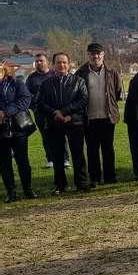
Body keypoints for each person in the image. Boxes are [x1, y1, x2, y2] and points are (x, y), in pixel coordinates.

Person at [38, 53, 90, 195]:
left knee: (78, 154)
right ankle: (60, 185)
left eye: (64, 62)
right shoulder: (46, 84)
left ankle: (82, 183)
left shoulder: (79, 81)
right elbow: (40, 103)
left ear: (69, 64)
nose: (62, 65)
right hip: (54, 123)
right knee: (57, 156)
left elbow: (83, 100)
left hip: (74, 122)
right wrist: (55, 113)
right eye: (59, 62)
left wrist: (67, 113)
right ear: (53, 64)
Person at [75, 42, 123, 185]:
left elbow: (118, 91)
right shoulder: (81, 73)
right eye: (92, 54)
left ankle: (110, 176)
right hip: (89, 118)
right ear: (88, 55)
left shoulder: (112, 72)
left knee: (108, 149)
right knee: (92, 150)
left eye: (98, 53)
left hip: (107, 117)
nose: (95, 56)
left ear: (103, 55)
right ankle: (95, 178)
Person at [1, 60, 35, 202]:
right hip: (1, 130)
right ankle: (11, 192)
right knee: (4, 162)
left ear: (4, 70)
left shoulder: (17, 83)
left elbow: (25, 99)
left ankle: (28, 189)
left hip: (18, 127)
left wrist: (7, 112)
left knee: (22, 160)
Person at [26, 53, 66, 168]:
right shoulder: (31, 78)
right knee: (46, 136)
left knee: (61, 135)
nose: (39, 63)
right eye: (37, 61)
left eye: (41, 60)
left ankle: (65, 158)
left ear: (47, 62)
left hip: (56, 111)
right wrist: (35, 107)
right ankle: (50, 159)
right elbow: (27, 96)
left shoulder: (54, 74)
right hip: (40, 113)